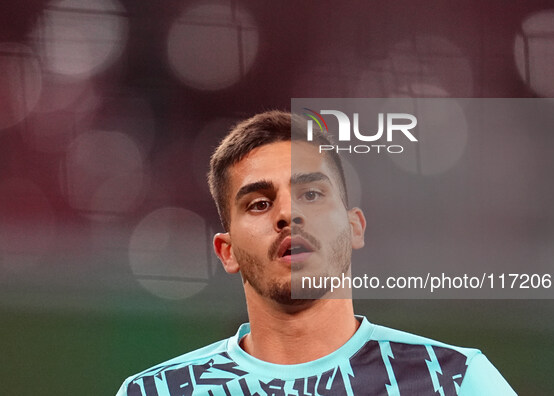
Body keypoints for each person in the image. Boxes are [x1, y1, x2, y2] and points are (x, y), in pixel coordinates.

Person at [116, 110, 516, 395]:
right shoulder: (154, 391)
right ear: (227, 251)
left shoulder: (455, 380)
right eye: (258, 203)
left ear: (355, 226)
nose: (289, 214)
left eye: (311, 194)